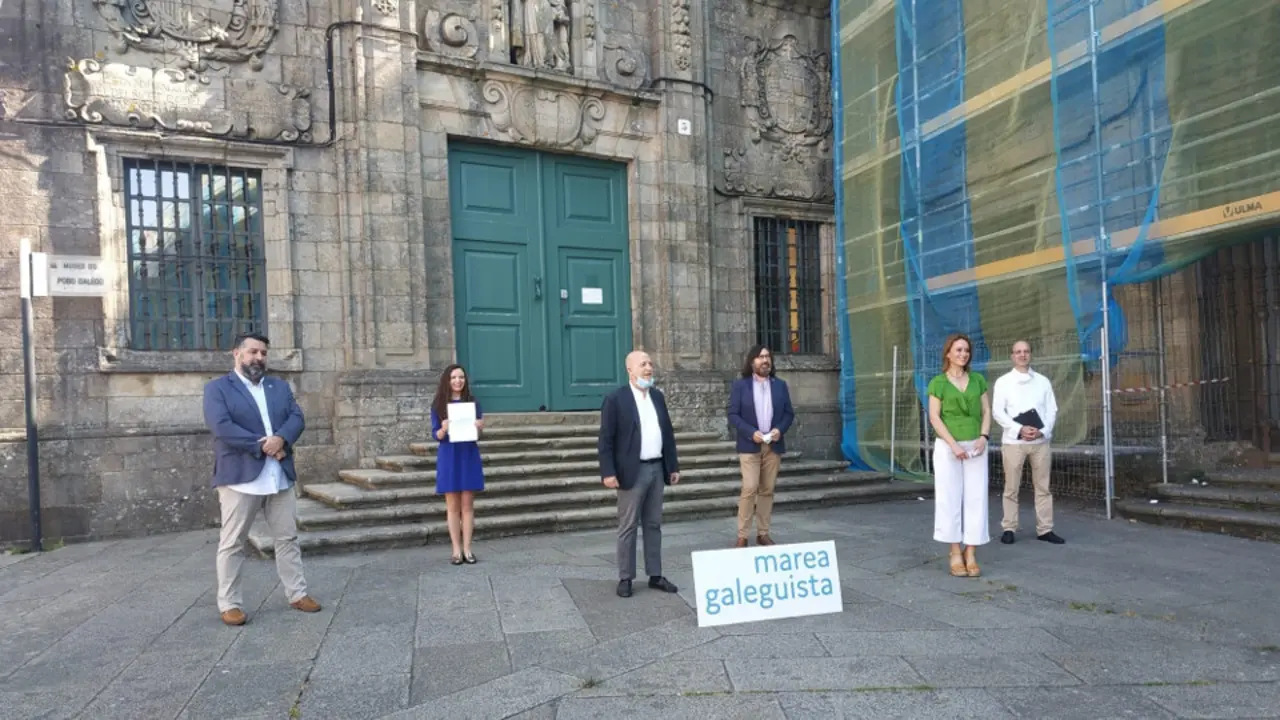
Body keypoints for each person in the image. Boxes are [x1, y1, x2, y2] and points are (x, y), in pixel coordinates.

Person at [202, 332, 321, 626]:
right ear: (237, 354)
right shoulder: (218, 389)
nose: (259, 358)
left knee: (287, 538)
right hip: (241, 476)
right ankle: (229, 603)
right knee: (232, 542)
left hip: (278, 474)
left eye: (263, 353)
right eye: (253, 352)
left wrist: (281, 438)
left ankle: (297, 593)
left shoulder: (278, 386)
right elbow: (222, 427)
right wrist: (262, 445)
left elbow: (297, 417)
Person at [597, 350, 681, 599]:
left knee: (654, 524)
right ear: (630, 370)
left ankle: (655, 574)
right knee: (628, 525)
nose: (648, 368)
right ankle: (626, 577)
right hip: (631, 471)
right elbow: (606, 440)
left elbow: (667, 434)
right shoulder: (616, 399)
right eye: (643, 364)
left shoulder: (657, 397)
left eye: (650, 364)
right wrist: (608, 471)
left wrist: (672, 465)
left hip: (656, 468)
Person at [927, 333, 992, 578]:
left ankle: (971, 551)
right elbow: (934, 417)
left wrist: (984, 437)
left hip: (975, 444)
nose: (963, 354)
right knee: (949, 497)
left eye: (966, 350)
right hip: (948, 446)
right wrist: (953, 445)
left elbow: (986, 410)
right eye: (958, 350)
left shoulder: (978, 380)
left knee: (976, 497)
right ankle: (955, 551)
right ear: (948, 353)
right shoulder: (938, 383)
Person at [992, 340, 1064, 545]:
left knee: (1043, 486)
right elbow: (998, 411)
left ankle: (1045, 529)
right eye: (1018, 352)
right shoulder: (1003, 382)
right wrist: (1019, 429)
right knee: (1011, 487)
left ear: (1030, 354)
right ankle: (1009, 527)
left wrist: (1042, 431)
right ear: (1012, 356)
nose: (1022, 355)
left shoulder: (1042, 381)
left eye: (1026, 351)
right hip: (1014, 442)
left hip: (1040, 442)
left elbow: (1052, 409)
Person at [727, 345, 795, 547]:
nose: (765, 360)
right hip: (750, 446)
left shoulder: (780, 385)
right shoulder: (741, 386)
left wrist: (779, 430)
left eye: (767, 357)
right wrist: (750, 432)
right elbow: (733, 414)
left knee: (767, 490)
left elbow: (789, 414)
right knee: (749, 488)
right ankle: (742, 535)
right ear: (752, 362)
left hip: (773, 445)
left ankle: (763, 533)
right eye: (760, 357)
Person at [431, 364, 486, 565]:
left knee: (468, 505)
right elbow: (435, 434)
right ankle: (456, 549)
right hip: (449, 455)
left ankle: (468, 549)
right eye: (454, 377)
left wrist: (479, 427)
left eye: (461, 377)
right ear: (447, 380)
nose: (458, 381)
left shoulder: (473, 403)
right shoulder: (438, 404)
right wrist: (443, 429)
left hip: (468, 454)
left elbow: (478, 434)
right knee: (453, 506)